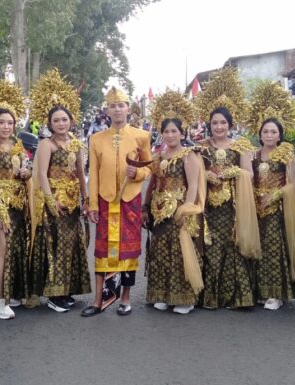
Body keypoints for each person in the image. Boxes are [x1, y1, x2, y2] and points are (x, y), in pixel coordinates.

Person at [82, 87, 152, 317]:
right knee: (103, 251)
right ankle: (99, 300)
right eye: (113, 106)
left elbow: (149, 167)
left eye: (121, 105)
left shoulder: (141, 136)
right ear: (107, 110)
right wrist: (92, 204)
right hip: (105, 200)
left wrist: (138, 174)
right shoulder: (96, 139)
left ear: (128, 109)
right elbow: (93, 173)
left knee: (127, 251)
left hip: (129, 200)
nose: (117, 110)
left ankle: (125, 298)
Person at [196, 107, 260, 310]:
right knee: (211, 246)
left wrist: (233, 172)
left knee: (233, 246)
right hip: (208, 205)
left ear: (229, 125)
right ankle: (211, 297)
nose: (219, 126)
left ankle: (237, 297)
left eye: (223, 122)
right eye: (214, 123)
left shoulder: (240, 146)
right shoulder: (201, 147)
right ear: (209, 125)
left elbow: (249, 174)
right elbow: (193, 172)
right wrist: (205, 175)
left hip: (232, 205)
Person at [31, 105, 91, 312]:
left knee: (72, 246)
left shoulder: (76, 144)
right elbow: (41, 174)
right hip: (55, 203)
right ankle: (54, 295)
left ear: (71, 121)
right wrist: (50, 200)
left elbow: (81, 175)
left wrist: (86, 199)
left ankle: (67, 291)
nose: (61, 124)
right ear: (50, 124)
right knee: (56, 247)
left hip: (73, 203)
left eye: (64, 119)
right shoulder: (46, 145)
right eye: (56, 120)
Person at [144, 118, 204, 314]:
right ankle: (162, 294)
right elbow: (153, 183)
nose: (170, 135)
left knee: (180, 253)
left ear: (182, 133)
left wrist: (186, 209)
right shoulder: (158, 156)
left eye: (174, 131)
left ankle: (184, 299)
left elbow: (193, 185)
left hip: (179, 208)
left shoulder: (188, 155)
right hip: (159, 210)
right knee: (160, 251)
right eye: (166, 131)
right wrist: (145, 206)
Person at [0, 107, 31, 319]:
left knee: (15, 248)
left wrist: (26, 173)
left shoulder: (17, 146)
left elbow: (26, 169)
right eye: (1, 122)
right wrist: (0, 210)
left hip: (19, 204)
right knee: (1, 249)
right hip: (2, 203)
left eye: (10, 123)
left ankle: (13, 293)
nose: (6, 127)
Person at [252, 118, 295, 310]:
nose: (269, 135)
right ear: (260, 134)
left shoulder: (285, 155)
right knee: (258, 249)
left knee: (274, 249)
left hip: (275, 208)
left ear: (280, 135)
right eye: (266, 132)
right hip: (256, 208)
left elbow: (293, 182)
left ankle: (276, 294)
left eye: (273, 132)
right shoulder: (254, 155)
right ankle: (261, 291)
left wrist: (276, 195)